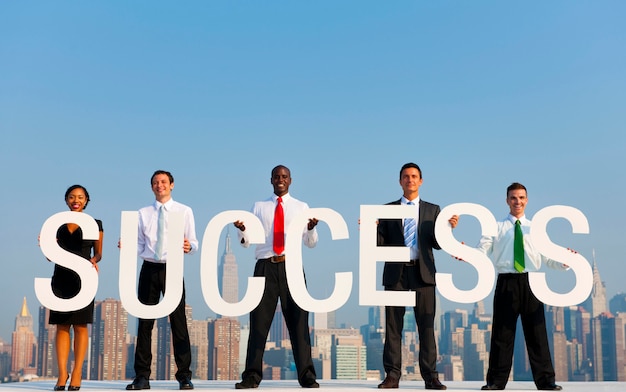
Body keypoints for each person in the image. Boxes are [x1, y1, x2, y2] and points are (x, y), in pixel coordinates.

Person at [233, 165, 320, 389]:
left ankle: (307, 376)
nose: (280, 180)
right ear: (270, 180)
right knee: (259, 324)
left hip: (292, 266)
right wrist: (242, 230)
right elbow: (247, 242)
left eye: (284, 177)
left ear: (290, 180)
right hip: (265, 267)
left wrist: (310, 229)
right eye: (276, 177)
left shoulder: (302, 207)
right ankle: (251, 376)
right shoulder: (258, 206)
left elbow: (311, 243)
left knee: (299, 323)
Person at [478, 183, 566, 391]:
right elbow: (482, 252)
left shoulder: (536, 228)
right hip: (506, 282)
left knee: (537, 334)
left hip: (532, 282)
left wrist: (564, 261)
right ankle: (495, 383)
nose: (518, 201)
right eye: (513, 198)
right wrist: (466, 255)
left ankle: (546, 382)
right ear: (507, 200)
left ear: (527, 200)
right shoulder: (495, 227)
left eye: (521, 198)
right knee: (502, 335)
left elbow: (547, 257)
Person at [377, 162, 456, 391]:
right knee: (393, 327)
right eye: (406, 177)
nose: (410, 180)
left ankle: (431, 377)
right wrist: (372, 228)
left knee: (426, 327)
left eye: (414, 176)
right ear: (400, 181)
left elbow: (438, 244)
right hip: (396, 273)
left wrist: (448, 229)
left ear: (421, 181)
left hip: (423, 273)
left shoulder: (433, 210)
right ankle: (392, 376)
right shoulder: (387, 210)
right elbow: (380, 244)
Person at [126, 170, 198, 391]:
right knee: (145, 324)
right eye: (156, 183)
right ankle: (142, 377)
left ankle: (184, 376)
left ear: (172, 185)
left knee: (179, 323)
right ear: (151, 187)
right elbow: (138, 245)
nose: (160, 185)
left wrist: (189, 247)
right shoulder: (142, 212)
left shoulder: (184, 211)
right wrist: (126, 244)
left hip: (173, 268)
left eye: (164, 182)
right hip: (149, 269)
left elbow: (193, 241)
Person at [49, 185, 103, 391]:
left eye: (80, 197)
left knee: (80, 325)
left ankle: (77, 371)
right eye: (72, 197)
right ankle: (63, 373)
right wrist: (47, 245)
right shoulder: (56, 224)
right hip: (61, 278)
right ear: (66, 200)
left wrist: (94, 260)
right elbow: (49, 255)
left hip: (84, 278)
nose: (76, 200)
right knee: (61, 326)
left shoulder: (94, 223)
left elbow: (98, 253)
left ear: (87, 200)